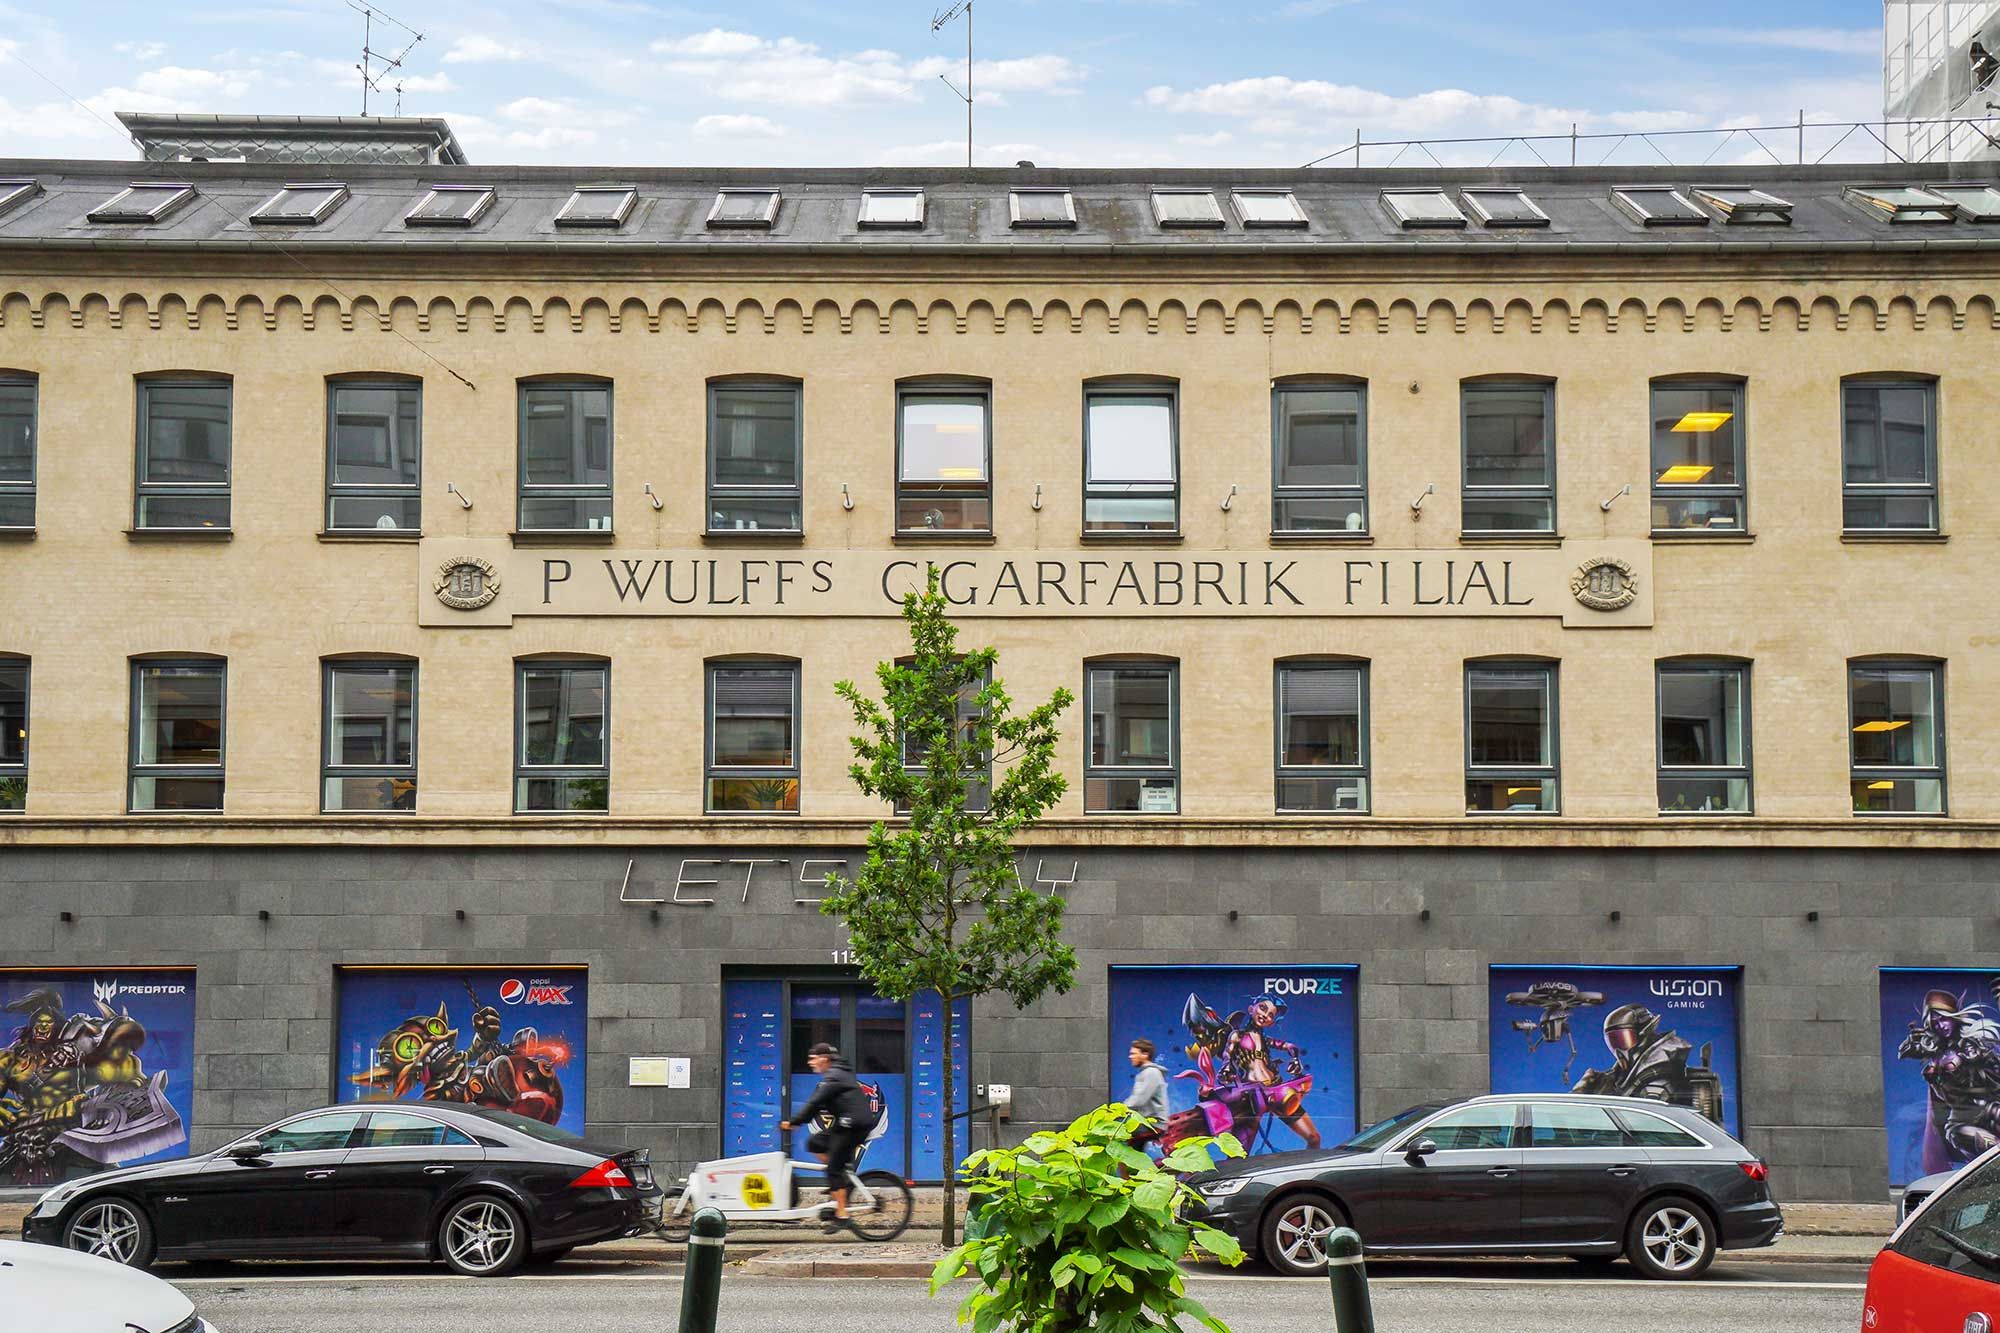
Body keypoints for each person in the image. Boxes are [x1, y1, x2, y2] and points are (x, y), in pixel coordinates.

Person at [779, 1042, 875, 1233]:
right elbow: (817, 1103)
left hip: (855, 1126)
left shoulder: (834, 1076)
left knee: (833, 1169)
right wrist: (800, 1120)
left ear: (824, 1058)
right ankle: (840, 1180)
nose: (810, 1062)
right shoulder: (833, 1076)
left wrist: (794, 1122)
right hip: (846, 1123)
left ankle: (842, 1215)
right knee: (814, 1143)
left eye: (813, 1058)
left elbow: (815, 1102)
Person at [1125, 1038, 1170, 1125]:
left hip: (1155, 1123)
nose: (1130, 1057)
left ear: (1145, 1054)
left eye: (1133, 1054)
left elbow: (1138, 1101)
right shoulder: (1145, 1073)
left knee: (1115, 1132)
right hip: (1145, 1121)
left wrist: (1118, 1109)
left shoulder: (1151, 1073)